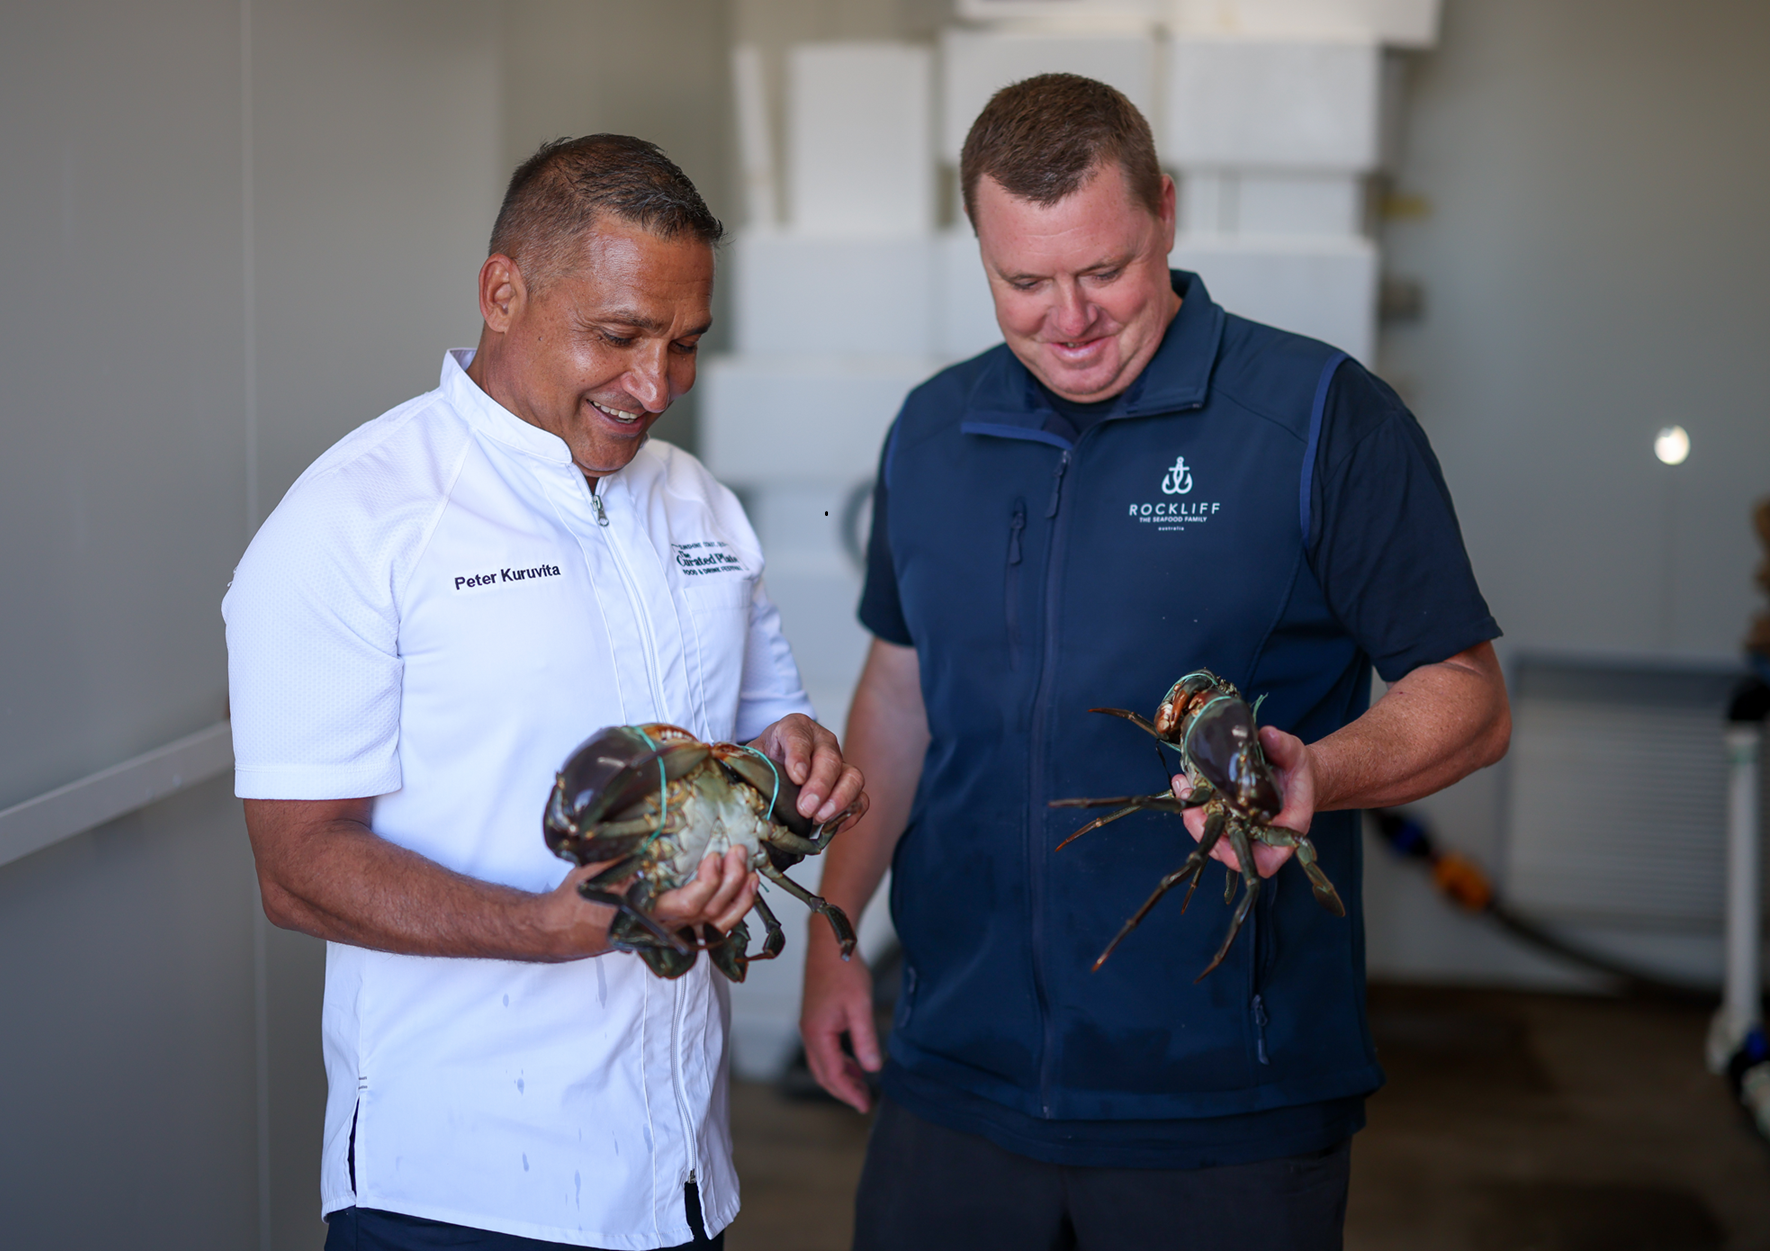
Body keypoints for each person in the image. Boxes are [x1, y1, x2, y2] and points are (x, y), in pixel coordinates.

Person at [799, 74, 1511, 1251]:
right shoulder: (931, 431)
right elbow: (902, 690)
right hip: (955, 1086)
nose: (1068, 319)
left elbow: (1467, 699)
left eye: (1104, 271)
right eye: (1022, 282)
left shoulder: (1324, 417)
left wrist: (1315, 774)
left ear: (1165, 216)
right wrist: (834, 936)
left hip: (1223, 1107)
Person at [225, 135, 864, 1251]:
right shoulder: (355, 521)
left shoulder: (700, 504)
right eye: (617, 336)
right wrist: (543, 928)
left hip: (682, 1179)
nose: (654, 385)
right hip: (458, 1193)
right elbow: (299, 867)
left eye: (685, 345)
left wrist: (801, 763)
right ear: (503, 291)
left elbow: (769, 732)